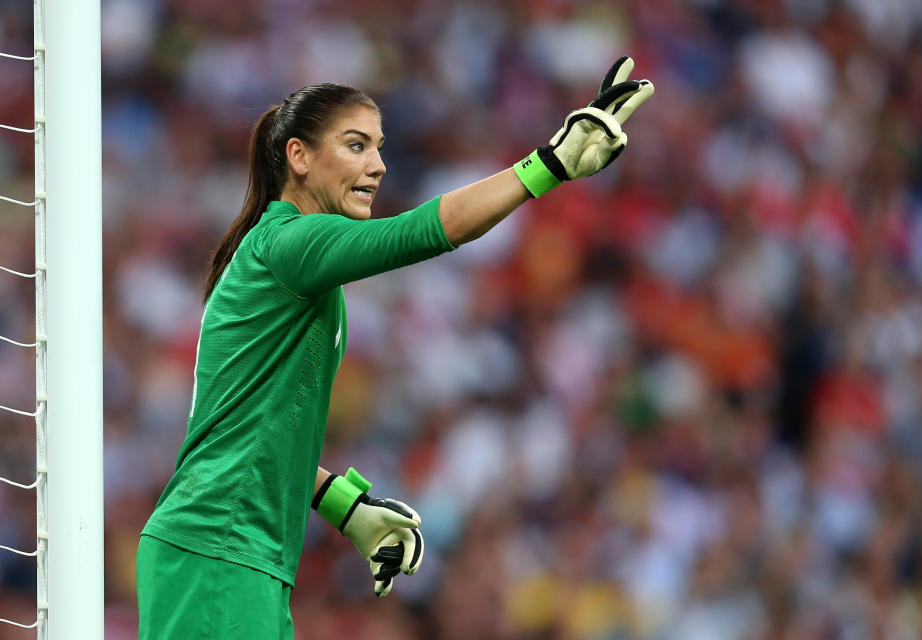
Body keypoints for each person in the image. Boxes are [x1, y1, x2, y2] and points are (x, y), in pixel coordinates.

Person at [136, 57, 653, 639]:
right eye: (356, 146)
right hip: (219, 548)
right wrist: (547, 166)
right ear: (299, 157)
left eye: (379, 148)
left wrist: (346, 508)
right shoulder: (288, 243)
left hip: (239, 554)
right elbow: (423, 231)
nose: (378, 166)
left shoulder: (295, 266)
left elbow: (250, 433)